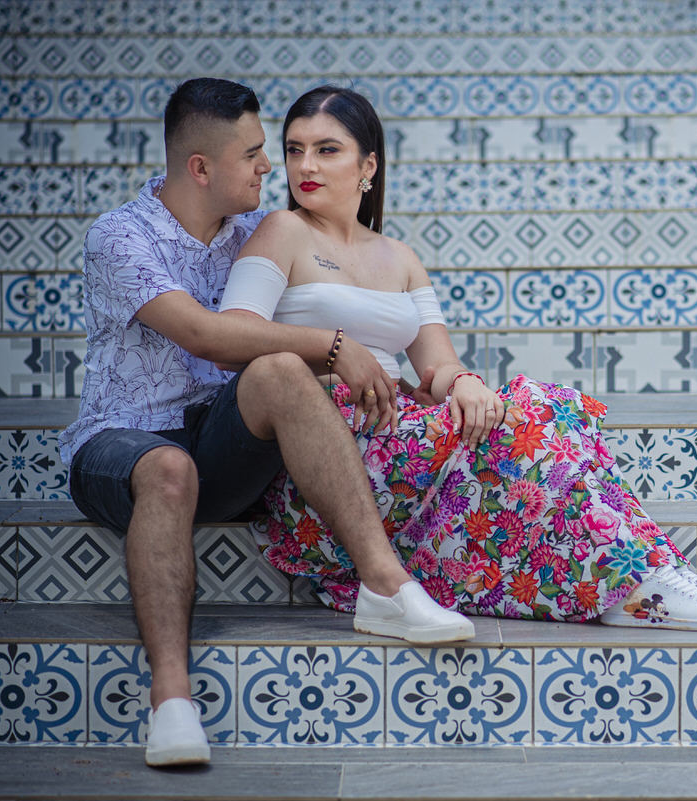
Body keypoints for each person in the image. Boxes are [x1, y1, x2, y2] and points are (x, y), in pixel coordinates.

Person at [219, 85, 697, 632]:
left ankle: (651, 575)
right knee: (538, 412)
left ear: (368, 164)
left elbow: (437, 365)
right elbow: (234, 335)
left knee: (532, 411)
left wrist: (466, 382)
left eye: (326, 149)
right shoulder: (281, 231)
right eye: (293, 149)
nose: (305, 165)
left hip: (398, 437)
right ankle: (645, 581)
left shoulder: (399, 257)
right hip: (331, 458)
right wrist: (335, 351)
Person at [59, 78, 474, 768]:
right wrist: (337, 347)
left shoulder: (262, 230)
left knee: (279, 372)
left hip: (225, 439)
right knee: (170, 467)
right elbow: (206, 336)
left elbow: (336, 284)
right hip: (125, 440)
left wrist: (425, 373)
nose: (274, 169)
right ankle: (172, 701)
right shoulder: (120, 237)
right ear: (201, 168)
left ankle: (386, 586)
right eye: (258, 154)